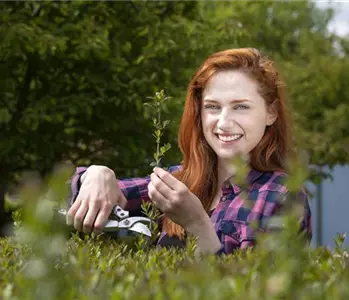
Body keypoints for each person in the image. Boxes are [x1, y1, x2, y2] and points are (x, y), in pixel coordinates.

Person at [66, 48, 312, 255]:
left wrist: (196, 224)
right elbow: (104, 196)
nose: (224, 122)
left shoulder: (283, 195)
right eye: (213, 107)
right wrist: (97, 175)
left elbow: (261, 290)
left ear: (271, 112)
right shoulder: (179, 183)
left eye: (241, 107)